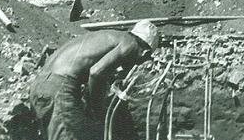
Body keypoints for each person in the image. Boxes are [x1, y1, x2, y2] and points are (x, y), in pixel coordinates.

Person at [29, 20, 160, 140]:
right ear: (145, 53)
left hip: (40, 84)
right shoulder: (131, 44)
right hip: (59, 88)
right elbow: (96, 73)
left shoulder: (111, 37)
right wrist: (96, 109)